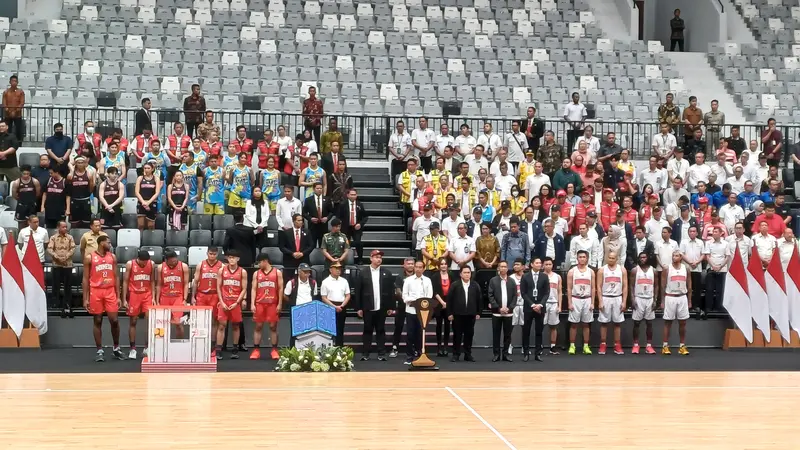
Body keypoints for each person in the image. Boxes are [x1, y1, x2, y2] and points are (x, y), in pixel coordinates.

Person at [83, 235, 124, 362]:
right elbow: (85, 279)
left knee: (114, 320)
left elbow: (116, 277)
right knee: (98, 320)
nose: (110, 244)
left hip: (110, 290)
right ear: (101, 243)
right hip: (96, 291)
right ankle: (99, 350)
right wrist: (85, 298)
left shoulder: (112, 257)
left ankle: (116, 347)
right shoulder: (90, 257)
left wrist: (118, 295)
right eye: (108, 242)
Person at [356, 250, 394, 361]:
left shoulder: (386, 272)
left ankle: (381, 353)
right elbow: (358, 291)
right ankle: (365, 353)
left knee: (381, 330)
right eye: (376, 257)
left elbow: (391, 291)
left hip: (381, 306)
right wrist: (358, 307)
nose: (379, 259)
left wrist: (391, 306)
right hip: (367, 306)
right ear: (371, 258)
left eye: (380, 257)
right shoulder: (363, 272)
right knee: (367, 330)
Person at [250, 253, 283, 360]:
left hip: (272, 303)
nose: (258, 265)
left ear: (265, 261)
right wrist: (252, 303)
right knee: (258, 326)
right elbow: (253, 289)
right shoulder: (256, 274)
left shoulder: (277, 273)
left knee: (273, 327)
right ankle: (256, 350)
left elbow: (280, 289)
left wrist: (280, 303)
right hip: (260, 303)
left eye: (259, 262)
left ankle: (274, 350)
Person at [122, 250, 154, 360]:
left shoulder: (151, 264)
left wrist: (153, 296)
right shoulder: (130, 264)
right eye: (143, 262)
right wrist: (124, 299)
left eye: (146, 262)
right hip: (134, 294)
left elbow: (152, 281)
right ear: (138, 259)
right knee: (133, 321)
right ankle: (132, 348)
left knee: (149, 321)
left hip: (147, 294)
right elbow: (125, 281)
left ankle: (147, 347)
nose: (145, 264)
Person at [215, 250, 247, 359]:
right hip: (224, 301)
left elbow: (244, 289)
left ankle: (234, 349)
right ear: (227, 258)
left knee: (236, 326)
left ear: (238, 259)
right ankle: (218, 349)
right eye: (230, 257)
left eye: (234, 257)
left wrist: (238, 302)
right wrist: (221, 301)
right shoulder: (221, 270)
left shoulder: (242, 272)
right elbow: (218, 287)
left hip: (235, 302)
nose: (232, 259)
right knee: (221, 325)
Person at [447, 266, 482, 362]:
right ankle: (456, 354)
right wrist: (449, 313)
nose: (467, 274)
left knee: (469, 335)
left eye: (469, 272)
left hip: (471, 315)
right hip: (457, 315)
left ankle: (468, 354)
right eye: (465, 272)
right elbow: (449, 300)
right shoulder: (455, 285)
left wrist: (479, 312)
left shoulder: (475, 285)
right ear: (460, 274)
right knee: (457, 335)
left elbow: (479, 299)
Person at [596, 251, 628, 355]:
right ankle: (603, 344)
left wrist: (624, 301)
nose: (611, 259)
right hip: (606, 298)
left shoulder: (622, 270)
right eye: (609, 257)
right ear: (606, 258)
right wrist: (600, 301)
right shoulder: (601, 270)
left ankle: (617, 345)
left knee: (617, 323)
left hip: (617, 298)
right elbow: (599, 287)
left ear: (617, 259)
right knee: (604, 323)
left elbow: (625, 287)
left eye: (613, 258)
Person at [661, 250, 692, 355]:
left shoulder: (686, 269)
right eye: (673, 255)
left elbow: (689, 286)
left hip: (682, 297)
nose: (674, 257)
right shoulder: (667, 269)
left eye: (677, 256)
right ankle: (665, 346)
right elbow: (662, 285)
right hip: (670, 297)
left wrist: (689, 300)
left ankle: (682, 346)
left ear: (681, 257)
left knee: (683, 323)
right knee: (668, 322)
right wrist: (662, 301)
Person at [401, 260, 432, 363]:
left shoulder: (427, 280)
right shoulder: (408, 280)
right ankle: (409, 356)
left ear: (423, 269)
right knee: (410, 334)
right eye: (416, 267)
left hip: (422, 312)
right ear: (414, 268)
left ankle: (420, 354)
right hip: (410, 311)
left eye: (420, 267)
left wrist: (422, 302)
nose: (418, 269)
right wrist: (413, 300)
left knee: (421, 334)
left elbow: (429, 296)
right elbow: (404, 296)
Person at [192, 246, 222, 348]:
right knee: (200, 320)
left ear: (217, 254)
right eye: (210, 254)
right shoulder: (201, 265)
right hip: (202, 295)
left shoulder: (221, 266)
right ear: (207, 253)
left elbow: (222, 284)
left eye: (214, 254)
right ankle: (200, 342)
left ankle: (213, 343)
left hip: (215, 295)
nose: (212, 256)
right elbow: (195, 282)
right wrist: (193, 297)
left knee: (214, 320)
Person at [567, 250, 594, 355]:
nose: (582, 259)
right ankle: (572, 346)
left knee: (586, 324)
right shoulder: (572, 271)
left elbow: (593, 288)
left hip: (587, 299)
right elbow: (569, 288)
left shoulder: (590, 271)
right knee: (573, 324)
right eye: (580, 257)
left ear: (587, 258)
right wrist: (569, 302)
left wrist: (592, 302)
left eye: (584, 257)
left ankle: (586, 346)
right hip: (575, 299)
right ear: (577, 258)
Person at [284, 263, 318, 347]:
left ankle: (309, 350)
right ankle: (293, 351)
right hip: (296, 310)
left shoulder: (313, 282)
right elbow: (285, 295)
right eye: (305, 272)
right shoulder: (291, 282)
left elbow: (314, 295)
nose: (307, 274)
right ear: (299, 272)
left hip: (309, 310)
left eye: (308, 272)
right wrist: (293, 304)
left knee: (310, 332)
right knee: (295, 333)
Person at [488, 261, 516, 362]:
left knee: (507, 335)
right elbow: (490, 296)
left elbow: (514, 297)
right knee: (496, 334)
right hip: (497, 313)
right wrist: (498, 308)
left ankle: (505, 354)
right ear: (498, 268)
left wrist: (509, 308)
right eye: (501, 266)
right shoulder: (493, 280)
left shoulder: (512, 281)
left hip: (509, 313)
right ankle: (496, 354)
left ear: (507, 268)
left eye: (505, 266)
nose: (503, 268)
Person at [47, 221, 76, 317]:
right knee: (56, 285)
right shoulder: (53, 238)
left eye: (66, 227)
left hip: (67, 265)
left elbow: (73, 248)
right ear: (58, 227)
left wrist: (66, 257)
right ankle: (55, 304)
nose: (65, 229)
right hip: (57, 265)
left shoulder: (70, 237)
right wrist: (57, 257)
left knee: (68, 286)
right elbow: (50, 249)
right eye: (63, 227)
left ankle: (67, 304)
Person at [630, 252, 657, 354]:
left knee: (649, 323)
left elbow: (656, 286)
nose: (642, 259)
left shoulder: (653, 271)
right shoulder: (634, 270)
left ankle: (649, 345)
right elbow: (631, 286)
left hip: (649, 298)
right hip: (639, 298)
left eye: (644, 257)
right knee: (636, 323)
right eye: (640, 257)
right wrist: (632, 299)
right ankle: (636, 345)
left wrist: (655, 300)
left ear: (648, 258)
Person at [320, 261, 351, 347]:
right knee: (328, 329)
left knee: (340, 329)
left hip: (342, 306)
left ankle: (339, 348)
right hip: (329, 306)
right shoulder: (325, 282)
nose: (338, 270)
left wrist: (342, 305)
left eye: (339, 268)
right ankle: (328, 348)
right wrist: (334, 306)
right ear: (330, 270)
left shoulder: (344, 281)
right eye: (336, 268)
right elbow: (324, 297)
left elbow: (348, 295)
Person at [338, 188, 368, 265]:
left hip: (356, 228)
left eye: (355, 195)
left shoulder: (360, 204)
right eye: (351, 194)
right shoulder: (342, 204)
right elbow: (338, 216)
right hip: (346, 228)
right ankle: (344, 259)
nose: (353, 196)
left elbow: (365, 217)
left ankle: (360, 259)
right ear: (347, 195)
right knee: (345, 244)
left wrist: (360, 224)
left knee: (358, 243)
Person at [704, 227, 730, 313]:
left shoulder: (726, 243)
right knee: (709, 289)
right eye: (713, 232)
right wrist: (713, 266)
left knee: (720, 289)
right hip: (711, 268)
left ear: (721, 233)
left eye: (715, 232)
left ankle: (719, 307)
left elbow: (727, 257)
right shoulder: (708, 243)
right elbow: (707, 256)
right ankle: (708, 307)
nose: (713, 233)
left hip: (722, 268)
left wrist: (720, 266)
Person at [430, 257, 452, 356]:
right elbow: (434, 291)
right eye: (441, 264)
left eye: (445, 264)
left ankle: (445, 347)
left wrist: (447, 303)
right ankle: (439, 347)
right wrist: (442, 302)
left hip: (449, 304)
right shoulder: (434, 276)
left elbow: (453, 290)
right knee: (439, 325)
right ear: (439, 266)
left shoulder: (452, 275)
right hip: (438, 304)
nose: (443, 266)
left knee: (447, 326)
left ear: (447, 265)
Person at [66, 156, 94, 228]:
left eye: (82, 163)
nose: (80, 164)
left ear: (85, 164)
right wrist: (68, 208)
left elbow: (91, 188)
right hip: (74, 200)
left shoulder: (89, 174)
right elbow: (68, 192)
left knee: (86, 222)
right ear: (75, 164)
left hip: (85, 200)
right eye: (78, 163)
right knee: (74, 222)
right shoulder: (70, 176)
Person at [135, 162, 160, 231]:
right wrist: (143, 202)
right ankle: (140, 240)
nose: (146, 170)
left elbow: (157, 192)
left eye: (148, 168)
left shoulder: (156, 179)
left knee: (151, 225)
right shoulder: (140, 178)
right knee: (141, 225)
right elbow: (137, 192)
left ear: (152, 169)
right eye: (145, 168)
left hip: (152, 203)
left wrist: (148, 202)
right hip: (141, 203)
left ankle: (151, 241)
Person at [226, 152, 252, 217]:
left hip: (246, 193)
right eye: (242, 157)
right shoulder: (233, 169)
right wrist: (236, 186)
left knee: (245, 211)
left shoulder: (249, 169)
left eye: (245, 158)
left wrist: (246, 187)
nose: (243, 159)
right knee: (235, 211)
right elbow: (230, 180)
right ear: (238, 158)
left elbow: (252, 181)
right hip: (235, 192)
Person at [2, 74, 25, 143]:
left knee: (18, 130)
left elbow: (22, 103)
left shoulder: (21, 92)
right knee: (7, 129)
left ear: (17, 82)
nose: (14, 82)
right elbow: (4, 103)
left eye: (15, 81)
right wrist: (8, 111)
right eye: (12, 81)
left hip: (17, 115)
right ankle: (7, 143)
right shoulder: (6, 92)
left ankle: (19, 143)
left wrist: (15, 111)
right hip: (7, 114)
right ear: (10, 82)